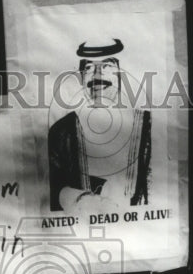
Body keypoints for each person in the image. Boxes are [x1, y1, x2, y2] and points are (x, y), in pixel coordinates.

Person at [48, 38, 151, 214]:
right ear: (81, 77)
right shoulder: (61, 133)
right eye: (88, 68)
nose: (96, 76)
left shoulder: (148, 129)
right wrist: (79, 199)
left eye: (106, 66)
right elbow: (50, 190)